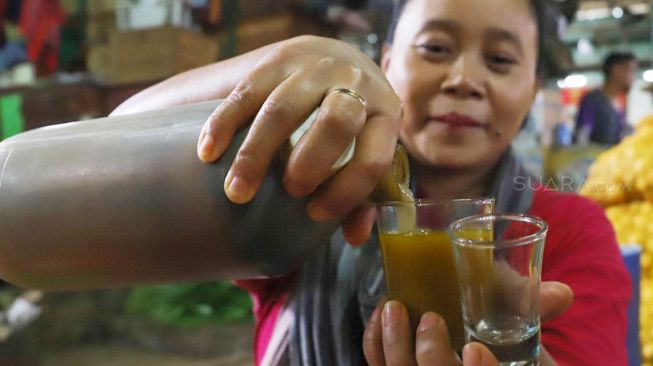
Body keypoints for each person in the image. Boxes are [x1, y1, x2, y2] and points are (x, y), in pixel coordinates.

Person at [2, 0, 630, 365]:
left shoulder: (566, 231)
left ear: (531, 90)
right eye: (435, 48)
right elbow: (117, 143)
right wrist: (272, 67)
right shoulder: (303, 193)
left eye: (500, 60)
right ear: (386, 64)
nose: (464, 78)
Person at [574, 51, 637, 145]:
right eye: (630, 70)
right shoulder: (593, 100)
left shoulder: (620, 102)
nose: (633, 77)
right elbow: (582, 137)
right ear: (617, 70)